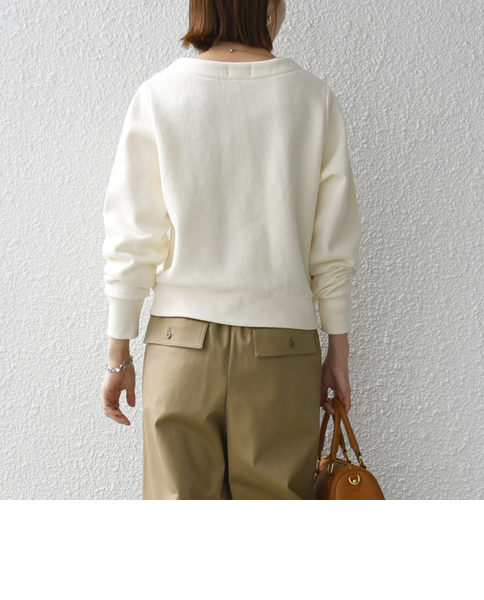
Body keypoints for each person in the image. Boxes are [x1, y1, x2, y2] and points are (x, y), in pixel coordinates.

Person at [100, 0, 362, 500]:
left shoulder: (159, 95)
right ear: (268, 6)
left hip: (180, 349)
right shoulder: (313, 98)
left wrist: (118, 355)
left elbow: (132, 238)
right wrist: (338, 349)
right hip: (282, 351)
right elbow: (331, 246)